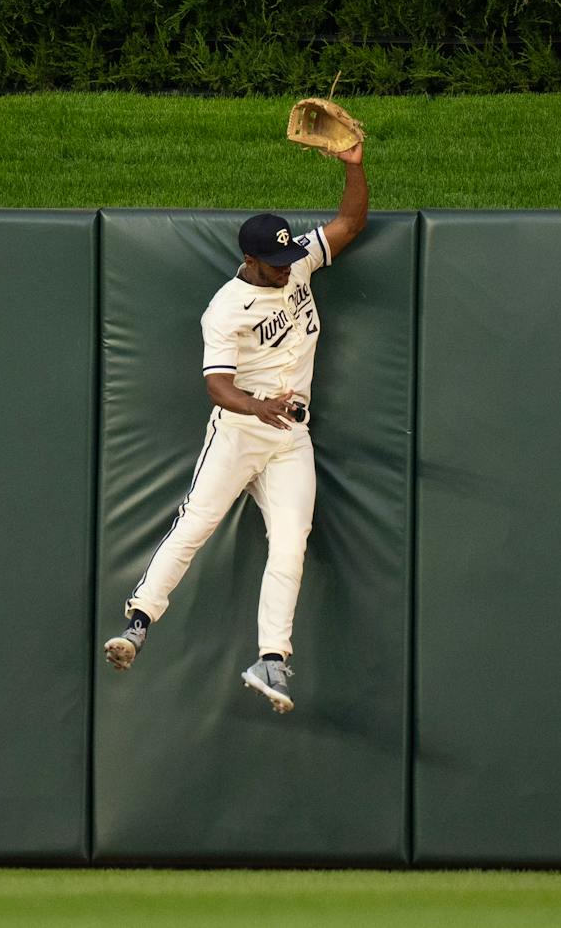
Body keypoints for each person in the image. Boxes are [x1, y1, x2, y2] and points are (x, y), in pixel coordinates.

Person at [103, 139, 369, 713]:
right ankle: (139, 622)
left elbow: (350, 222)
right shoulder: (227, 307)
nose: (284, 270)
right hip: (240, 430)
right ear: (250, 261)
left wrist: (353, 163)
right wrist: (257, 407)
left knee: (292, 541)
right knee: (196, 523)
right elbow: (217, 386)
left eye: (286, 259)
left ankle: (272, 659)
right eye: (273, 265)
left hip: (289, 437)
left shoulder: (294, 260)